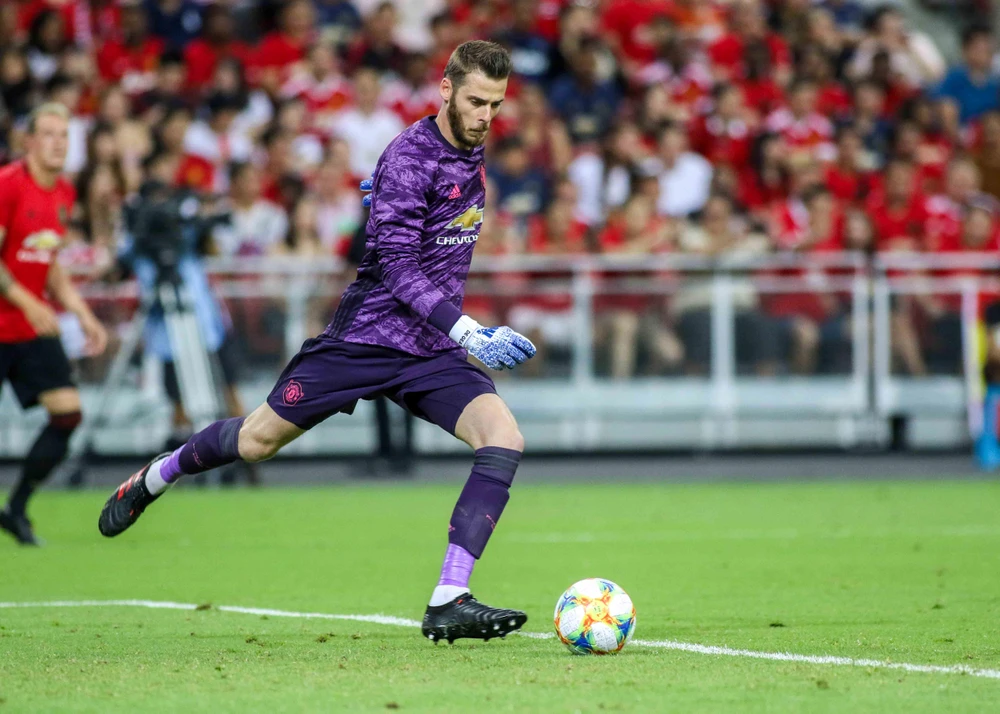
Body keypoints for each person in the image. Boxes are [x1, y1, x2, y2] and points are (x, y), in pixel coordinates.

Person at [98, 42, 536, 644]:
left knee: (504, 437)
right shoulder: (411, 155)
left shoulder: (470, 150)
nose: (486, 116)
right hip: (367, 338)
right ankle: (156, 476)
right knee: (256, 442)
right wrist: (467, 328)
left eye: (496, 104)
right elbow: (396, 265)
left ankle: (448, 597)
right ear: (446, 89)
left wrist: (456, 325)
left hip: (429, 348)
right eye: (476, 101)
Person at [0, 103, 108, 545]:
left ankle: (16, 509)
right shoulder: (8, 184)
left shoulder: (63, 192)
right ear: (28, 141)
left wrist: (82, 313)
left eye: (64, 135)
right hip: (14, 318)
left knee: (67, 413)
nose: (58, 143)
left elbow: (50, 263)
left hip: (31, 326)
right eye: (48, 134)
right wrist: (28, 302)